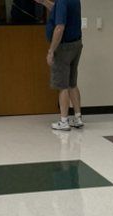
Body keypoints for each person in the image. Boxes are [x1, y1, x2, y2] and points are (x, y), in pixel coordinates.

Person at [39, 0, 83, 131]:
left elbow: (59, 27)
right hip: (76, 44)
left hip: (63, 48)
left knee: (62, 85)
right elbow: (57, 9)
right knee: (72, 83)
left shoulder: (62, 2)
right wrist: (43, 2)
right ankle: (77, 118)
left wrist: (51, 51)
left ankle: (64, 121)